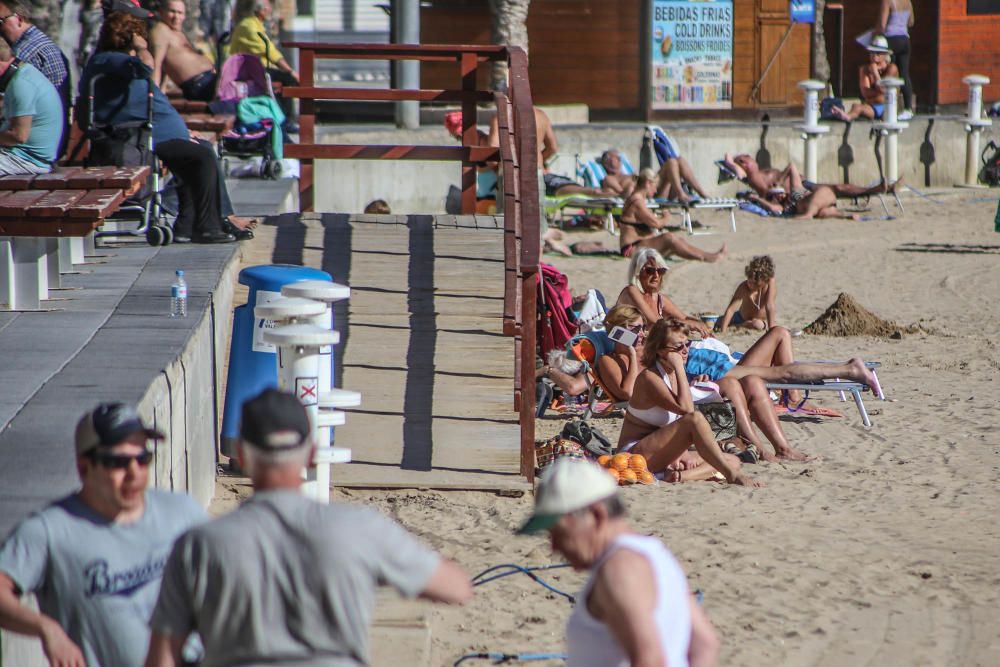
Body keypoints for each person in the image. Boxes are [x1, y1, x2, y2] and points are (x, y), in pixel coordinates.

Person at [145, 389, 473, 667]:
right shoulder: (358, 529)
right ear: (312, 454)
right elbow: (456, 588)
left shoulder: (199, 545)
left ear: (241, 455)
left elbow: (163, 657)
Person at [0, 402, 208, 666]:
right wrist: (45, 628)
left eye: (143, 458)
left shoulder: (182, 512)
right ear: (84, 468)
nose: (134, 473)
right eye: (117, 463)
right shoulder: (50, 531)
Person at [517, 458, 721, 667]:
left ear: (596, 515)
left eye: (559, 533)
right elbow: (704, 645)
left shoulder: (619, 569)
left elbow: (650, 660)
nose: (554, 547)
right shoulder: (655, 553)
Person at [79, 12, 241, 243]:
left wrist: (182, 131)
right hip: (140, 137)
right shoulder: (107, 60)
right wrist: (142, 47)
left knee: (202, 150)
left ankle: (187, 225)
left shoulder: (121, 62)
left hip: (159, 133)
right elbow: (146, 67)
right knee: (202, 156)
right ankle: (207, 226)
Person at [618, 318, 764, 486]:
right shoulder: (649, 378)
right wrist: (680, 367)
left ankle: (679, 477)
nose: (685, 351)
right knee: (695, 419)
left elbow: (674, 425)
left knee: (732, 460)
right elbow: (687, 412)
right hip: (634, 456)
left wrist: (680, 452)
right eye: (678, 347)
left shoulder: (672, 373)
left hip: (660, 449)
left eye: (687, 344)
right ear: (659, 350)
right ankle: (731, 476)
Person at [0, 0, 71, 156]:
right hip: (48, 140)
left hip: (30, 147)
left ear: (18, 19)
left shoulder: (23, 54)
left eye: (0, 21)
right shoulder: (40, 42)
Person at [619, 170, 727, 262]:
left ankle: (707, 255)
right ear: (648, 183)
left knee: (679, 241)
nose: (656, 190)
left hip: (639, 245)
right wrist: (666, 215)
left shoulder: (637, 199)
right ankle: (708, 257)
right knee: (669, 238)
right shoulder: (636, 201)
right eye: (655, 186)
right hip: (631, 249)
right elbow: (657, 224)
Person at [615, 246, 713, 336]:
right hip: (624, 343)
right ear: (637, 272)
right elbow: (654, 322)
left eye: (661, 271)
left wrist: (701, 326)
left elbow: (684, 318)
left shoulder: (659, 298)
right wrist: (689, 324)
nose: (656, 276)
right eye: (650, 271)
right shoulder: (632, 291)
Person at [228, 0, 299, 124]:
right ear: (262, 11)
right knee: (288, 78)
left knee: (285, 80)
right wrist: (290, 71)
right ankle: (287, 120)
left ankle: (285, 117)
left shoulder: (256, 24)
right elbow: (269, 51)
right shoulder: (249, 26)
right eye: (268, 8)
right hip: (245, 71)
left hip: (256, 68)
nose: (270, 11)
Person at [0, 39, 61, 176]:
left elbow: (18, 136)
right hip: (20, 155)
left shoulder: (21, 84)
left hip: (26, 160)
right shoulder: (23, 74)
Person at [150, 0, 218, 101]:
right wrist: (153, 95)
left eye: (180, 13)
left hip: (209, 80)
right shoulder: (161, 30)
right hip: (200, 84)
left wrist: (162, 93)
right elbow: (156, 64)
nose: (176, 17)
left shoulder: (177, 32)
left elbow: (167, 67)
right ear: (161, 11)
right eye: (172, 11)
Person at [832, 36, 899, 122]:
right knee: (856, 107)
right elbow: (865, 93)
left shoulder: (892, 68)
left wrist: (875, 73)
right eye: (872, 52)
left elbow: (884, 90)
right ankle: (847, 116)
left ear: (885, 55)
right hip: (872, 106)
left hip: (888, 106)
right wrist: (879, 95)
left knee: (887, 114)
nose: (874, 56)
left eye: (878, 53)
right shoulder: (864, 69)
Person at [718, 255, 777, 332]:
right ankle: (739, 325)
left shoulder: (770, 283)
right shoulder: (744, 287)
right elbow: (731, 309)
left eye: (755, 284)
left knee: (756, 324)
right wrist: (723, 330)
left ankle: (739, 326)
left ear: (765, 280)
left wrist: (771, 330)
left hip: (761, 321)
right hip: (740, 317)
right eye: (749, 281)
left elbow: (769, 306)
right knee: (715, 322)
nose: (751, 285)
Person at [879, 0, 915, 120]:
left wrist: (875, 34)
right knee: (904, 74)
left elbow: (882, 25)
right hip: (905, 39)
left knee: (889, 72)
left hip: (891, 40)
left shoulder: (888, 1)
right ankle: (908, 109)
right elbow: (911, 22)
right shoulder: (908, 2)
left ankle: (889, 107)